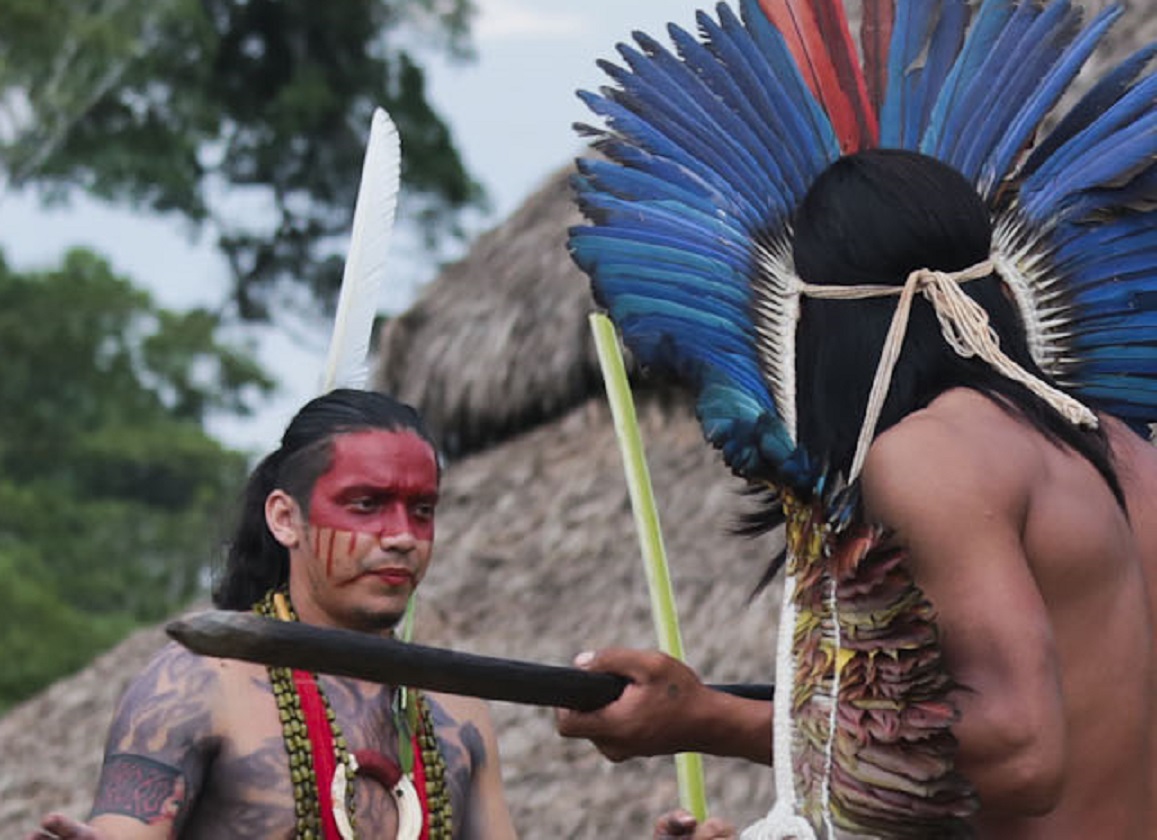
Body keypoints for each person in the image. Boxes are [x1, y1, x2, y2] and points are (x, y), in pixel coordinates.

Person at [560, 150, 1157, 837]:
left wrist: (711, 720)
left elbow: (1021, 756)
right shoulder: (1128, 454)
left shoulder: (929, 455)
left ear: (817, 319)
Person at [28, 388, 517, 840]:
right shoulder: (195, 687)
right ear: (285, 519)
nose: (402, 536)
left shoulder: (459, 711)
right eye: (366, 505)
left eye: (422, 511)